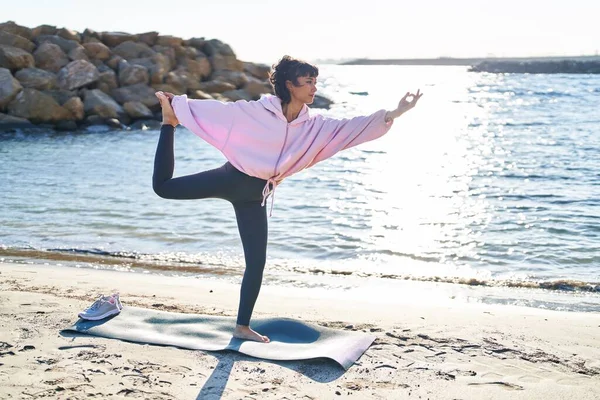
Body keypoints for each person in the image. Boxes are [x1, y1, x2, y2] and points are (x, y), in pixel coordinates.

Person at [153, 55, 422, 343]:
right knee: (164, 188)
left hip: (255, 197)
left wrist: (395, 112)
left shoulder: (314, 125)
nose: (314, 88)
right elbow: (220, 113)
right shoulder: (256, 111)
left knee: (256, 262)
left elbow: (352, 128)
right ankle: (168, 124)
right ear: (289, 85)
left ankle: (242, 326)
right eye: (308, 82)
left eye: (315, 82)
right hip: (231, 178)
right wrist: (179, 107)